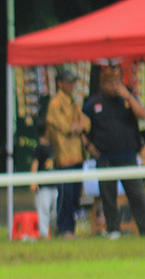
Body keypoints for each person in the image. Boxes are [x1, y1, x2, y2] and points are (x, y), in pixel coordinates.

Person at [83, 66, 145, 239]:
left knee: (136, 193)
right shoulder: (94, 103)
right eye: (110, 83)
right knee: (108, 195)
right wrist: (88, 146)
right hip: (105, 156)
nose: (114, 86)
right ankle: (113, 228)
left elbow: (143, 115)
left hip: (127, 155)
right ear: (103, 84)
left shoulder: (128, 99)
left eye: (117, 82)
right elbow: (81, 126)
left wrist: (129, 97)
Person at [45, 69, 90, 238]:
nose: (72, 86)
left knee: (76, 196)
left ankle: (71, 228)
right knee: (65, 194)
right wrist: (77, 126)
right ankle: (64, 229)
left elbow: (86, 122)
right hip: (64, 157)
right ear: (60, 83)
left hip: (77, 155)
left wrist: (80, 126)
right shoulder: (55, 103)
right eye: (69, 82)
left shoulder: (73, 102)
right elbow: (67, 127)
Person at [30, 121, 58, 239]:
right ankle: (44, 234)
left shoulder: (53, 146)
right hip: (43, 186)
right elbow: (35, 164)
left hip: (54, 184)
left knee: (56, 210)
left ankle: (55, 230)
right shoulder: (38, 148)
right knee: (44, 209)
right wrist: (33, 181)